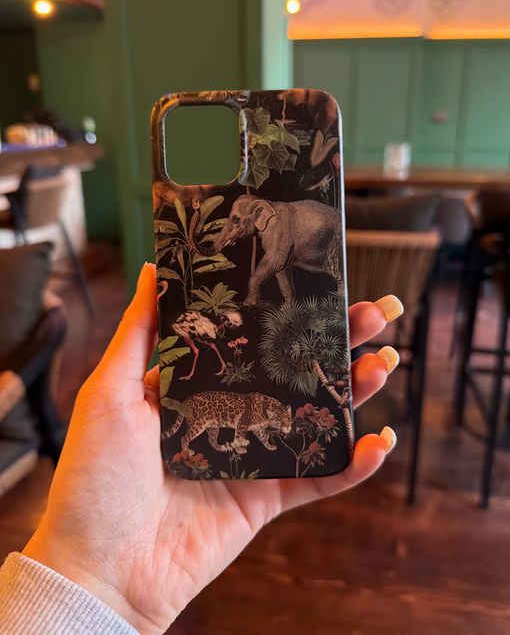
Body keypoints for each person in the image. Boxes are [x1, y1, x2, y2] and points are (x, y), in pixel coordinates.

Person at [0, 263, 402, 634]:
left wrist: (90, 582)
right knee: (198, 426)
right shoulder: (256, 406)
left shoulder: (266, 408)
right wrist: (91, 575)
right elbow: (245, 421)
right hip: (206, 413)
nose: (281, 426)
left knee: (211, 425)